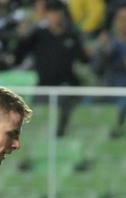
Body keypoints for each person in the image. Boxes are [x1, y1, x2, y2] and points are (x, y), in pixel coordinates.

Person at [15, 0, 90, 134]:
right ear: (46, 15)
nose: (55, 17)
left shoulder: (71, 36)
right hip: (44, 87)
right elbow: (19, 55)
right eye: (51, 13)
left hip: (65, 86)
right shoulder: (38, 35)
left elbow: (84, 59)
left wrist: (90, 53)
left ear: (63, 15)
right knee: (34, 116)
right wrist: (21, 38)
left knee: (62, 107)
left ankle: (60, 135)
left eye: (58, 13)